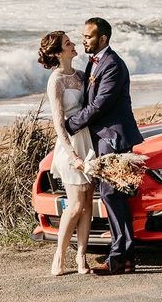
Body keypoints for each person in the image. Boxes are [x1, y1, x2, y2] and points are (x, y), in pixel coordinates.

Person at [64, 17, 144, 275]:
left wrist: (70, 125)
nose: (83, 40)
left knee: (112, 195)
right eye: (83, 36)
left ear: (103, 39)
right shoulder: (93, 62)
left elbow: (100, 105)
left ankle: (119, 257)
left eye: (88, 36)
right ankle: (125, 258)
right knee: (113, 197)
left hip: (114, 138)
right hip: (101, 139)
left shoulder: (113, 65)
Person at [37, 31, 94, 276]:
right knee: (76, 202)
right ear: (59, 52)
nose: (73, 45)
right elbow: (59, 123)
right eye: (68, 43)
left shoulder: (82, 76)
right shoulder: (56, 80)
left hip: (89, 142)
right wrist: (72, 156)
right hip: (70, 144)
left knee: (88, 202)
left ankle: (82, 258)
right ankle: (59, 255)